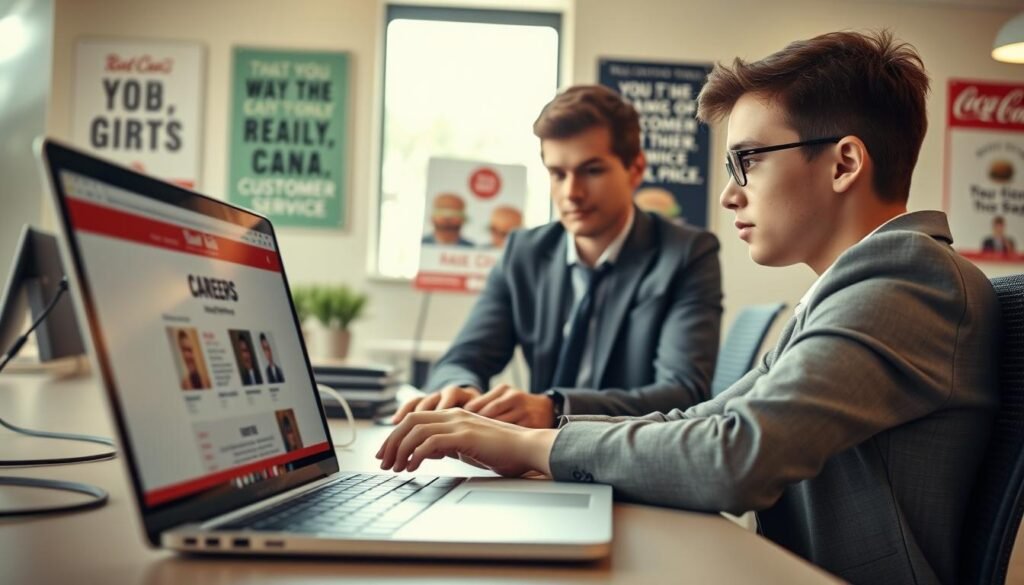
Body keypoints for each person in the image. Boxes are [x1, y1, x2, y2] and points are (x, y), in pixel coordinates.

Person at [378, 31, 999, 584]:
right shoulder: (856, 285)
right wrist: (525, 436)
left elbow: (734, 454)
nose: (729, 193)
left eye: (747, 160)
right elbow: (702, 419)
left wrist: (532, 445)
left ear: (843, 163)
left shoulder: (907, 277)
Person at [394, 84, 723, 429]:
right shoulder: (523, 253)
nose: (572, 193)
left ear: (635, 169)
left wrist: (557, 408)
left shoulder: (686, 254)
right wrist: (459, 389)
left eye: (592, 170)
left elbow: (683, 393)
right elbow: (462, 358)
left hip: (632, 464)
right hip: (538, 465)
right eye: (557, 174)